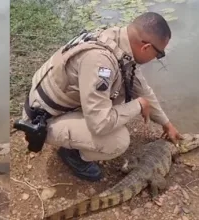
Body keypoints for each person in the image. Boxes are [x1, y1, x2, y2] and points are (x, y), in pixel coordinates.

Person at [20, 12, 183, 182]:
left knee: (120, 100)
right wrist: (138, 106)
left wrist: (166, 124)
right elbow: (100, 124)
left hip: (50, 105)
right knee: (118, 141)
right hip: (39, 121)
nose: (157, 58)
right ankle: (74, 155)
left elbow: (142, 89)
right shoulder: (100, 62)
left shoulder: (116, 39)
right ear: (146, 47)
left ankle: (74, 136)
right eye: (159, 54)